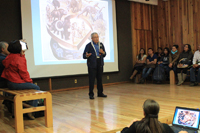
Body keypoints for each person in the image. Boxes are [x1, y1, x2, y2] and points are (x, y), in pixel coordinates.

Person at [1, 40, 40, 120]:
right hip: (16, 83)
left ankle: (26, 108)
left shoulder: (9, 56)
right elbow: (24, 73)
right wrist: (30, 82)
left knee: (33, 87)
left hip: (10, 83)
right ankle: (31, 110)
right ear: (19, 49)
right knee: (36, 88)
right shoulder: (19, 59)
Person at [83, 32, 107, 99]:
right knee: (92, 80)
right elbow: (84, 55)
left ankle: (100, 93)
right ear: (92, 38)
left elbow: (104, 54)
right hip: (92, 64)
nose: (97, 38)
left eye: (97, 37)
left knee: (100, 79)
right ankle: (91, 94)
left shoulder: (101, 44)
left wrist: (103, 52)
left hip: (100, 64)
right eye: (95, 37)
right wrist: (87, 55)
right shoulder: (89, 45)